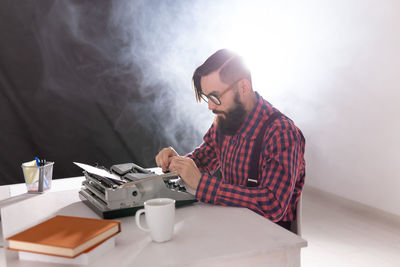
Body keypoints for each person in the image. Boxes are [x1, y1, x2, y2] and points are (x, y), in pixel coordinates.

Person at [155, 49, 305, 230]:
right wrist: (177, 162)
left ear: (243, 87)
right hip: (230, 224)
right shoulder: (225, 120)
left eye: (214, 97)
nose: (210, 106)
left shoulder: (281, 132)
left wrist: (203, 185)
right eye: (206, 97)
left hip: (268, 235)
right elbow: (202, 159)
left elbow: (273, 205)